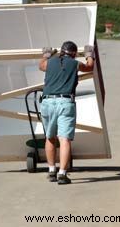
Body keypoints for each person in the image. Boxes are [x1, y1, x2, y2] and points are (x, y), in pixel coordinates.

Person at [39, 41, 94, 185]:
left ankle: (51, 171)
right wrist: (89, 55)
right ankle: (62, 174)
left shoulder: (50, 62)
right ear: (74, 53)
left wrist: (46, 55)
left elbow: (41, 65)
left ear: (61, 52)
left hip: (48, 102)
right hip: (65, 102)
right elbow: (89, 67)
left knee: (50, 137)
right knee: (64, 139)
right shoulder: (75, 63)